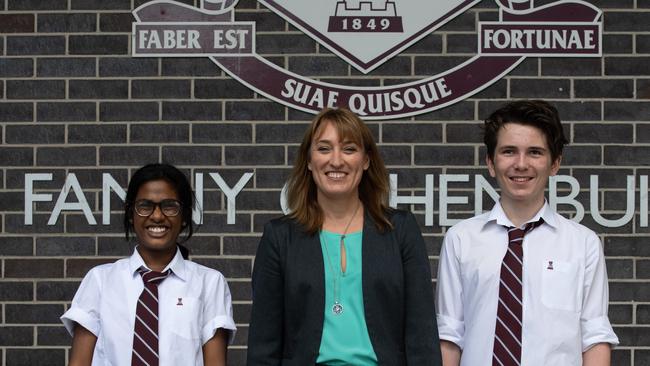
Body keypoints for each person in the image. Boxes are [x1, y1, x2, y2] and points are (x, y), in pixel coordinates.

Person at [247, 108, 442, 365]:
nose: (336, 161)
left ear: (366, 160)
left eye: (349, 149)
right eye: (324, 149)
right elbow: (264, 344)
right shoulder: (280, 237)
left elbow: (422, 334)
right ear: (308, 160)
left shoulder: (400, 230)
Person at [436, 100, 619, 366]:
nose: (521, 164)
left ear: (554, 164)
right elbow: (450, 335)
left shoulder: (583, 244)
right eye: (509, 151)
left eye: (535, 152)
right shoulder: (461, 239)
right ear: (490, 162)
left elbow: (594, 337)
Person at [61, 163, 236, 366]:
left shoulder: (209, 283)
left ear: (185, 216)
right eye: (145, 206)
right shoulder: (100, 280)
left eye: (169, 206)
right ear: (131, 214)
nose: (157, 216)